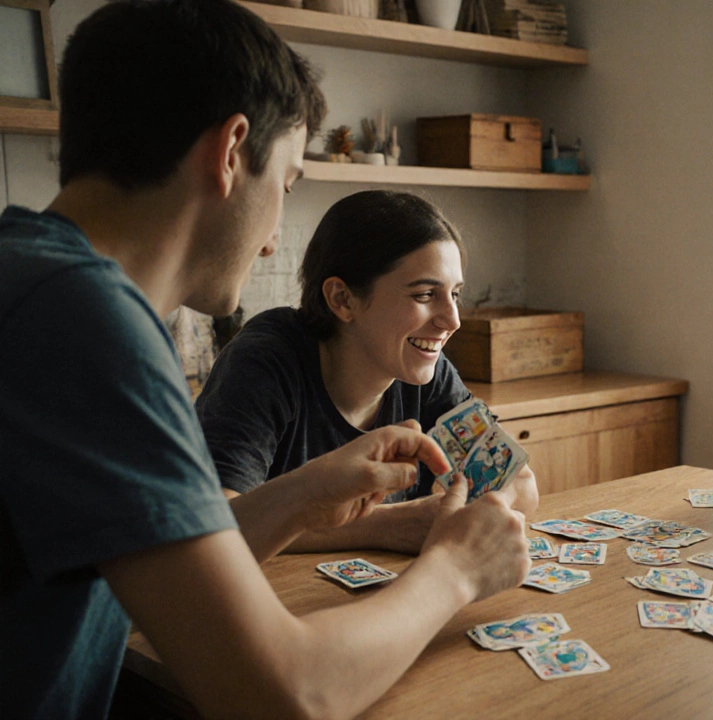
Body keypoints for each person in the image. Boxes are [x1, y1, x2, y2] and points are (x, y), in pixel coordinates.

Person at [0, 2, 528, 718]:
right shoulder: (84, 321)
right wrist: (456, 571)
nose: (275, 239)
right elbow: (285, 694)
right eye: (286, 186)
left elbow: (170, 561)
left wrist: (302, 496)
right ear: (230, 152)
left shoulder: (31, 280)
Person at [197, 190, 538, 557]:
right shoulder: (264, 362)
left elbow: (522, 486)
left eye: (455, 294)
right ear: (342, 299)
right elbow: (211, 529)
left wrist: (466, 508)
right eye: (425, 295)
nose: (452, 320)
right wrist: (387, 525)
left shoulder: (427, 369)